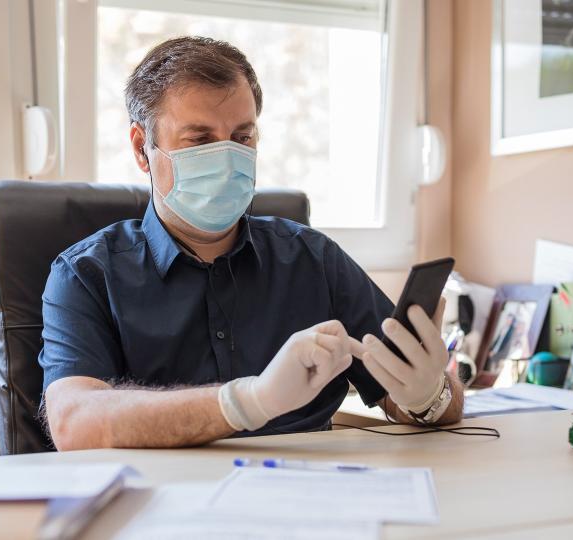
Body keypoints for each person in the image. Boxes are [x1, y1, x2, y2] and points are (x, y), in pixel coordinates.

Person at [39, 36, 463, 450]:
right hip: (165, 506)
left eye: (242, 138)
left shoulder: (313, 259)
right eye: (200, 140)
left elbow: (412, 397)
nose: (226, 158)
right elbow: (75, 423)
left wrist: (429, 396)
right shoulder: (86, 275)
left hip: (315, 499)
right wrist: (250, 401)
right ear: (141, 148)